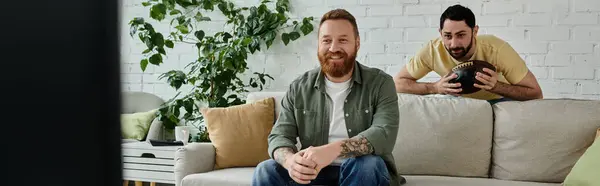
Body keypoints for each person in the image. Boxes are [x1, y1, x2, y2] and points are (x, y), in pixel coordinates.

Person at [252, 8, 406, 186]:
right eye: (326, 40)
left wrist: (332, 151)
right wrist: (290, 161)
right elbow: (279, 136)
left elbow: (383, 134)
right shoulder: (299, 87)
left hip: (362, 170)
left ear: (357, 43)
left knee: (368, 164)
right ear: (318, 44)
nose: (334, 48)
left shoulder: (381, 83)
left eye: (343, 40)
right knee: (266, 170)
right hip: (314, 174)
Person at [393, 4, 543, 104]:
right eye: (447, 36)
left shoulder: (497, 49)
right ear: (440, 33)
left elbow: (535, 93)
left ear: (475, 31)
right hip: (460, 103)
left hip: (500, 101)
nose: (453, 44)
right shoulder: (433, 50)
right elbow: (397, 84)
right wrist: (435, 88)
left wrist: (496, 86)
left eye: (461, 35)